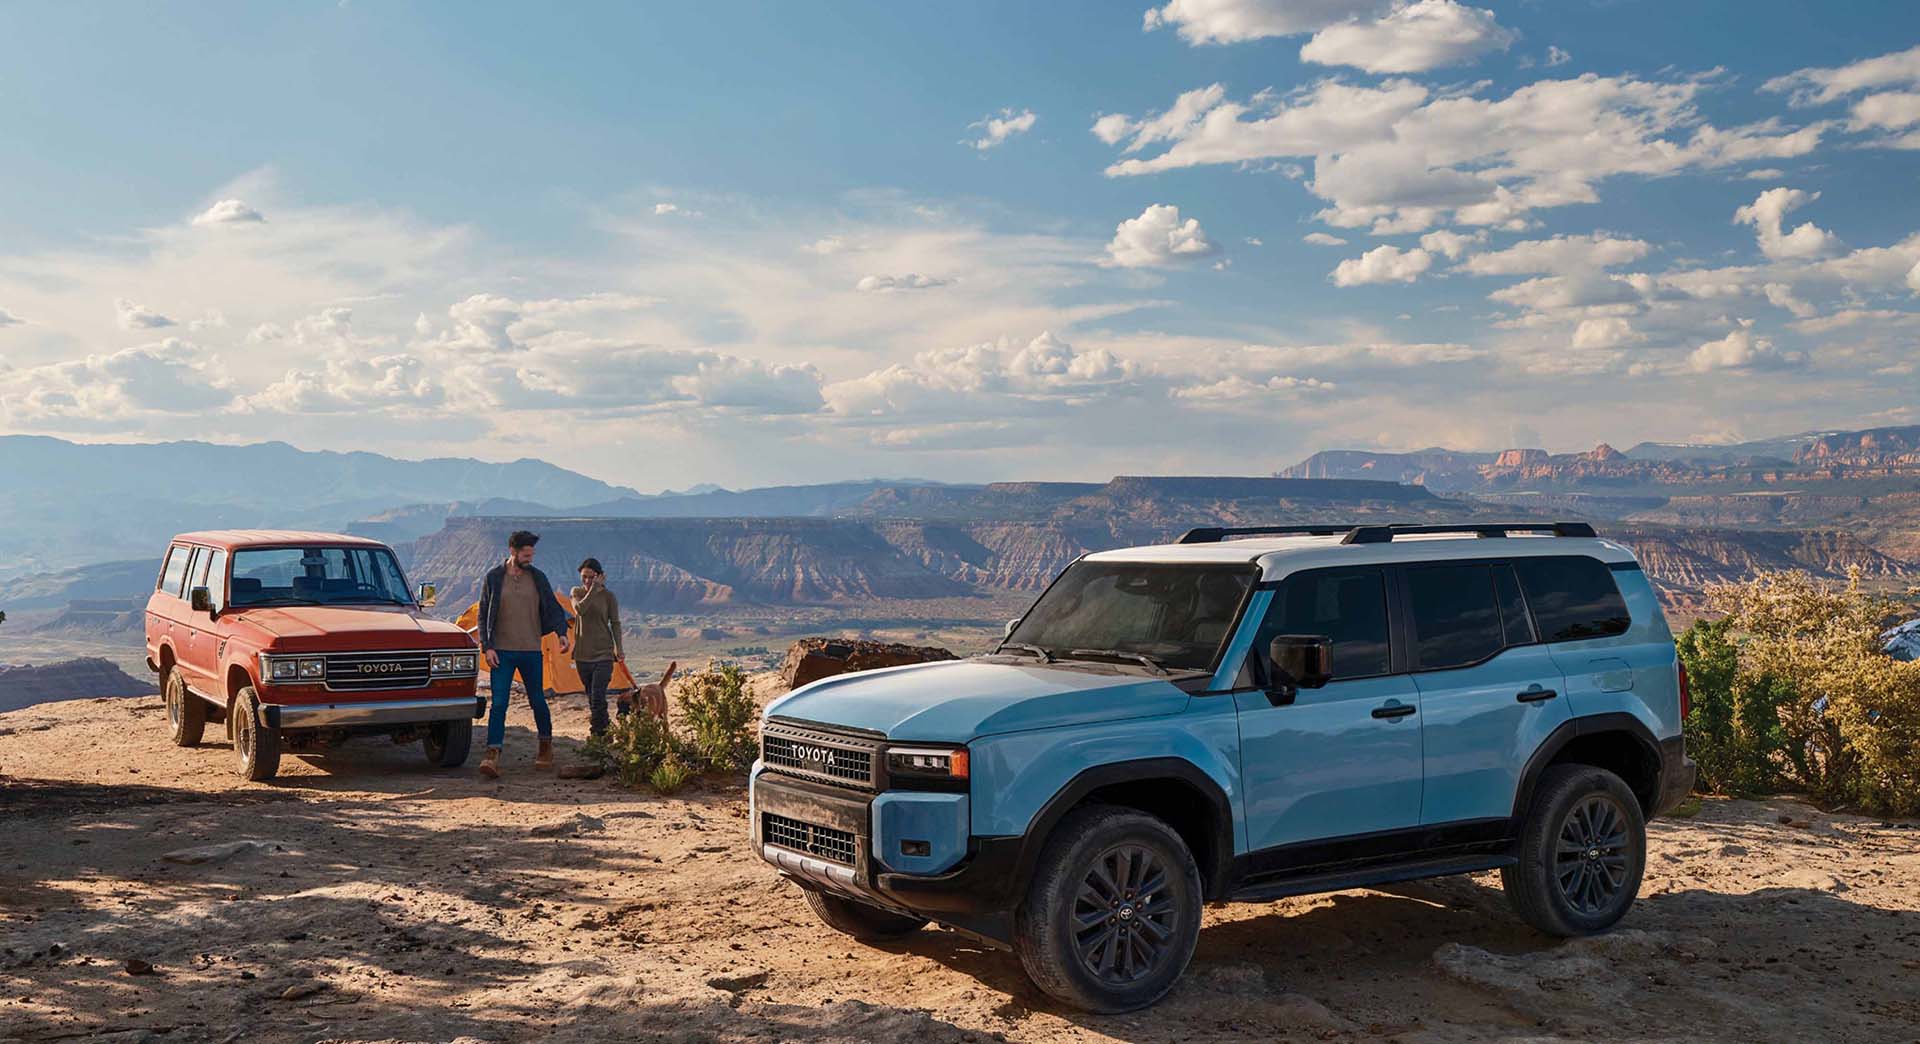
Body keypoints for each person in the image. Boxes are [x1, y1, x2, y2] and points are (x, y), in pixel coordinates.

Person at [475, 530, 571, 778]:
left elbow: (552, 606)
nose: (530, 558)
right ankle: (492, 754)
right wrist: (487, 646)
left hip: (530, 650)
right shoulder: (494, 578)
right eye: (526, 554)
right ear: (513, 552)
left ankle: (545, 746)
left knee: (537, 699)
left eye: (532, 554)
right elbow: (484, 613)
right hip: (502, 652)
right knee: (499, 703)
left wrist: (561, 633)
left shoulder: (537, 577)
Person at [570, 557, 626, 738]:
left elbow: (615, 623)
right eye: (584, 577)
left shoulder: (609, 597)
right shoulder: (576, 592)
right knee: (591, 697)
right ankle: (606, 728)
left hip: (604, 653)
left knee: (598, 696)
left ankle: (597, 734)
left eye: (591, 577)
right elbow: (580, 610)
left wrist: (619, 648)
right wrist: (593, 589)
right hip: (582, 655)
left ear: (600, 576)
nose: (587, 581)